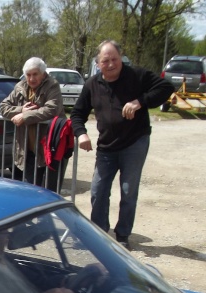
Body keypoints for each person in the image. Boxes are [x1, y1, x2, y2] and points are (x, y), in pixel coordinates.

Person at [71, 40, 174, 250]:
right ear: (98, 64)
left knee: (128, 191)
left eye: (114, 59)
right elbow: (77, 114)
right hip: (106, 147)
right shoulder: (92, 84)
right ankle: (100, 232)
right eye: (105, 61)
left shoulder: (137, 76)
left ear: (121, 58)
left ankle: (123, 235)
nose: (110, 64)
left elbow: (166, 87)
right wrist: (81, 134)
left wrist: (140, 101)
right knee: (98, 191)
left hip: (134, 143)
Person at [0, 57, 64, 190]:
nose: (31, 79)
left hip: (48, 148)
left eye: (35, 74)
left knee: (48, 191)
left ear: (43, 73)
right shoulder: (20, 86)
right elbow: (3, 107)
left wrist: (25, 116)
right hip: (24, 148)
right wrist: (20, 110)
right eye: (28, 75)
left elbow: (52, 109)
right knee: (25, 190)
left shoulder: (52, 85)